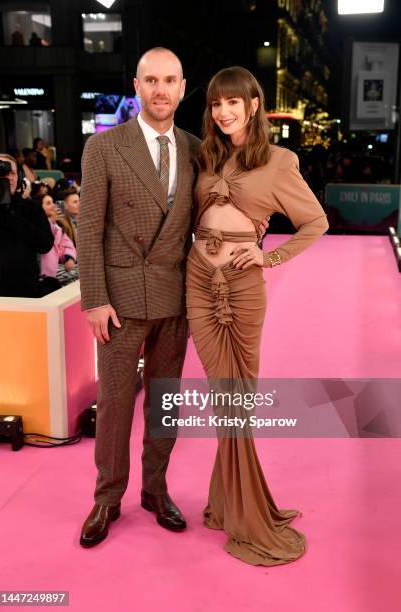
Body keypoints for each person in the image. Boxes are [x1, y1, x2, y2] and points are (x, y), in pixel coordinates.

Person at [186, 66, 329, 566]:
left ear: (253, 105)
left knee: (236, 401)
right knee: (221, 395)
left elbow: (316, 221)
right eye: (215, 104)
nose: (223, 112)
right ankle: (232, 502)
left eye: (233, 102)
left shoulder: (278, 160)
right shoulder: (205, 155)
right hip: (199, 283)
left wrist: (269, 257)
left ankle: (240, 508)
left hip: (244, 288)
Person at [76, 47, 202, 548]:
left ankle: (155, 490)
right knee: (114, 405)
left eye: (169, 80)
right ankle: (107, 498)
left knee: (164, 405)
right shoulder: (104, 147)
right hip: (120, 301)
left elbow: (205, 219)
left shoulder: (197, 148)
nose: (160, 90)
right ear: (136, 86)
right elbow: (88, 229)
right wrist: (93, 299)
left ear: (183, 86)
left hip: (177, 298)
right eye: (151, 80)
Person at [0, 153, 54, 297]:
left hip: (25, 295)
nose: (7, 177)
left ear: (19, 177)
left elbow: (45, 245)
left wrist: (13, 216)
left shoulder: (32, 209)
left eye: (12, 173)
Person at [36, 193, 77, 285]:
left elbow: (68, 244)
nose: (53, 205)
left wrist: (69, 258)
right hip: (42, 274)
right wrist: (51, 221)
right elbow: (44, 237)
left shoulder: (57, 226)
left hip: (55, 270)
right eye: (48, 203)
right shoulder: (35, 224)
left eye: (52, 202)